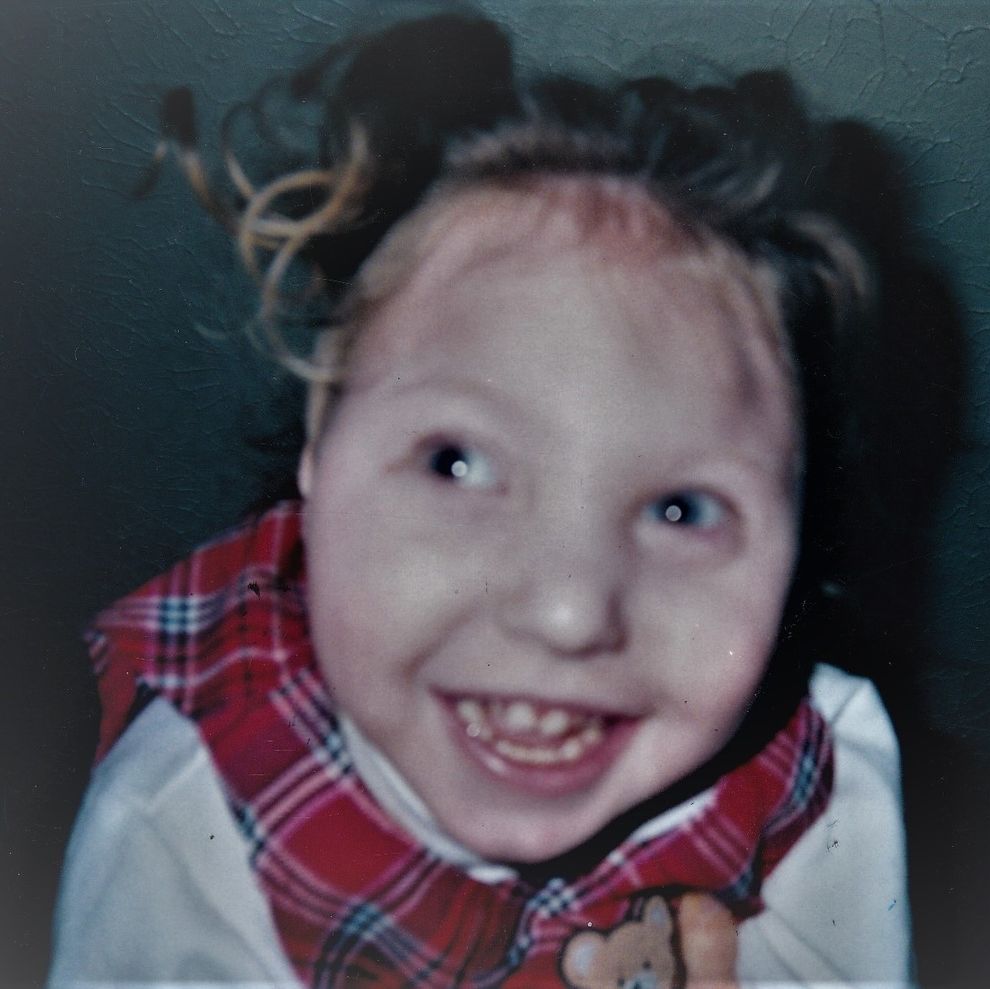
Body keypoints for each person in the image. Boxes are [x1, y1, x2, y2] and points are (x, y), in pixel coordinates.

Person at [48, 11, 911, 987]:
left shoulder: (817, 769)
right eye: (457, 462)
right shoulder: (183, 835)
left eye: (681, 509)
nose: (567, 611)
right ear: (321, 448)